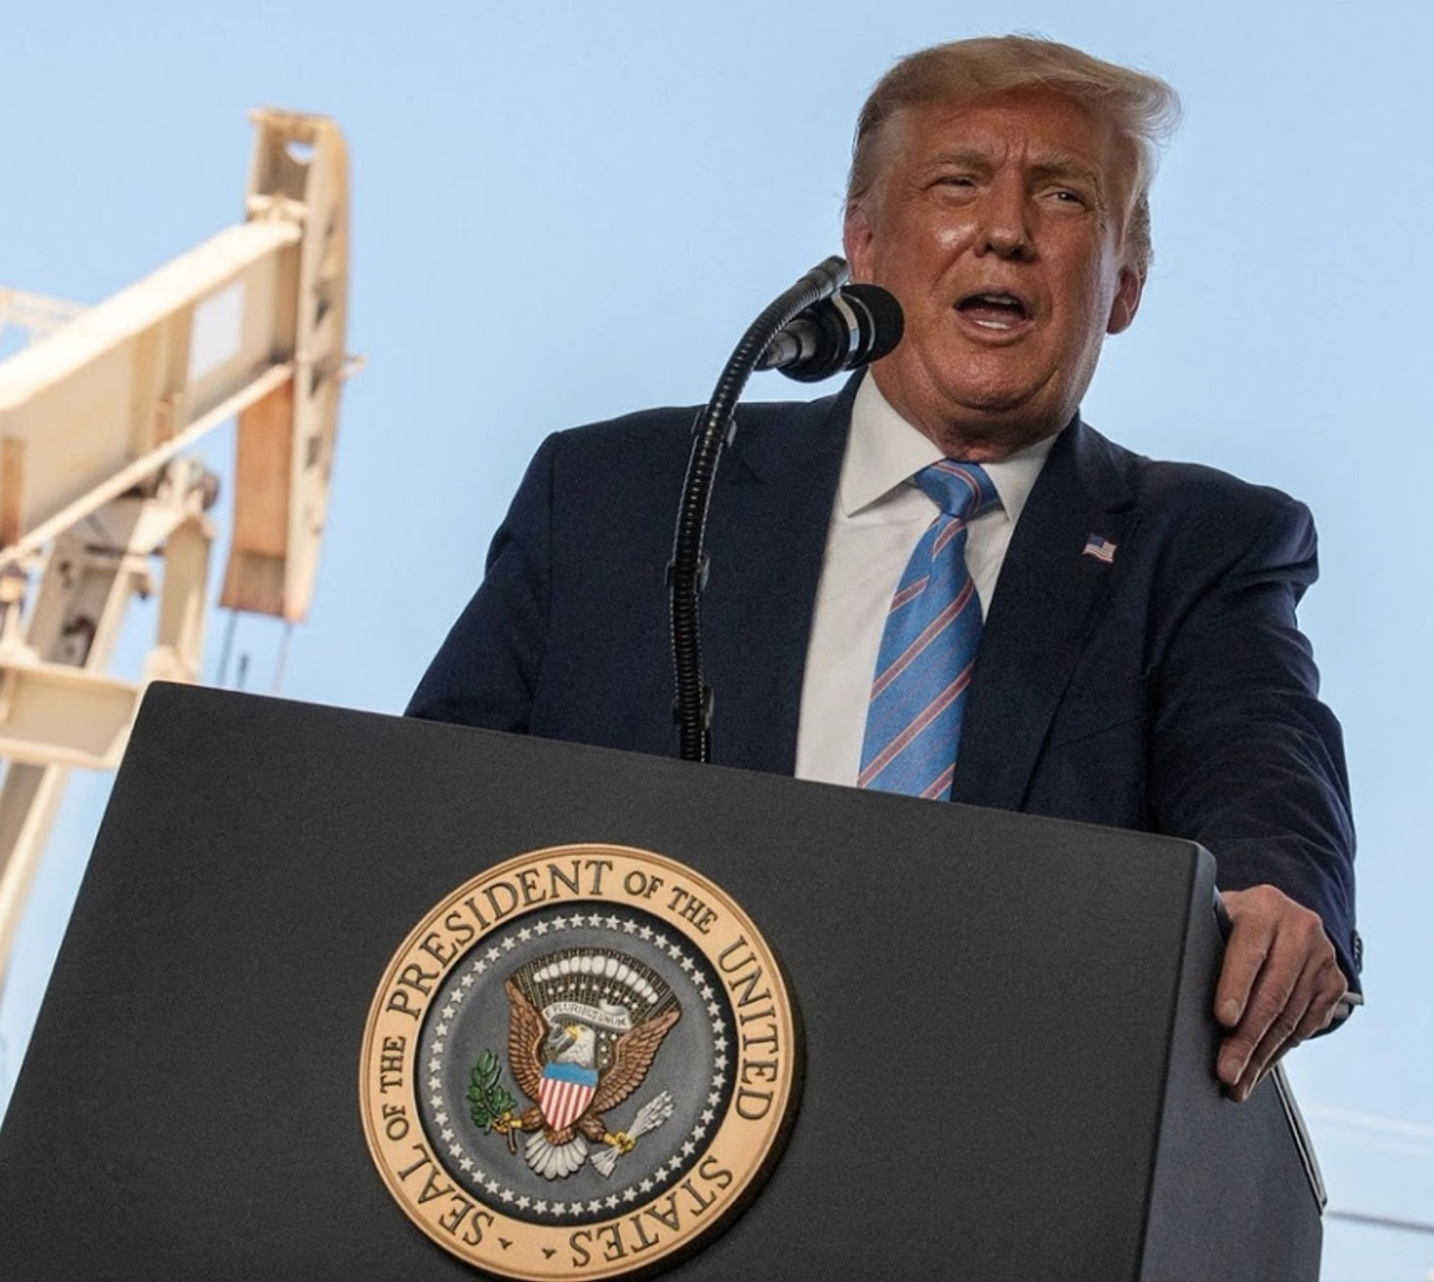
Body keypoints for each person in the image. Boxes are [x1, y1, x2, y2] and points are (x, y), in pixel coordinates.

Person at [409, 34, 1359, 1102]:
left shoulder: (1200, 547)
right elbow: (426, 817)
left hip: (979, 1140)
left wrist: (1277, 885)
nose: (1004, 231)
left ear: (1125, 284)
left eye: (1063, 199)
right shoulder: (618, 493)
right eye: (958, 184)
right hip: (613, 1132)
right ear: (864, 243)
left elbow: (1263, 756)